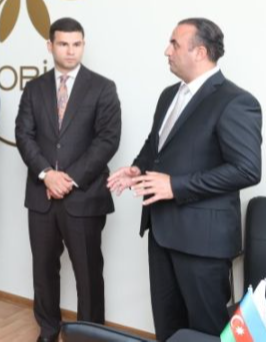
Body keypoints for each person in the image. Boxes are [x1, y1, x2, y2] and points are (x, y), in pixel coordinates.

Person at [107, 18, 262, 341]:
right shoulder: (168, 95)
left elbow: (247, 169)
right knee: (167, 328)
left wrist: (175, 186)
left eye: (174, 44)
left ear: (200, 52)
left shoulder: (235, 101)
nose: (167, 51)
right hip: (161, 233)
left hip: (203, 244)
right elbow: (156, 147)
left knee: (204, 332)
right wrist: (137, 168)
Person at [15, 17, 121, 342]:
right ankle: (48, 330)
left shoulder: (102, 87)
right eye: (63, 44)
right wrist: (47, 175)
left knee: (88, 275)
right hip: (42, 197)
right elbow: (23, 135)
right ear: (50, 46)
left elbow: (107, 140)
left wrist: (69, 179)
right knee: (44, 272)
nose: (71, 50)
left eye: (77, 44)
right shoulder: (34, 88)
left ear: (83, 45)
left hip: (84, 197)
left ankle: (90, 337)